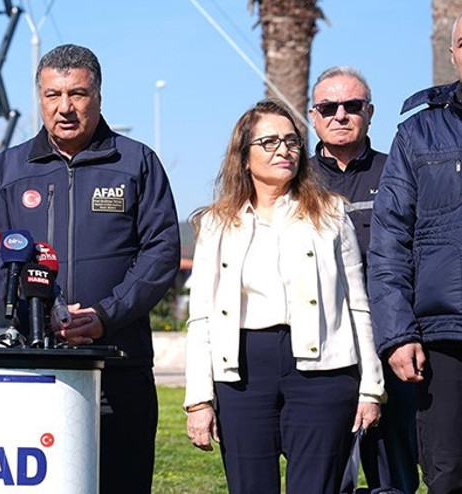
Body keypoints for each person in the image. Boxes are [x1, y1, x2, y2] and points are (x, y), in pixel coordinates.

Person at [0, 44, 180, 494]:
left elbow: (161, 252)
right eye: (53, 95)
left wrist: (106, 316)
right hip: (33, 367)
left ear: (99, 97)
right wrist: (32, 312)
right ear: (40, 98)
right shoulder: (8, 169)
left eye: (78, 94)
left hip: (119, 367)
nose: (65, 108)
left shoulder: (137, 163)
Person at [184, 99, 384, 494]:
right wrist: (198, 401)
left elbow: (357, 303)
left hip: (324, 373)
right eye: (270, 141)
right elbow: (201, 317)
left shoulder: (330, 213)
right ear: (244, 157)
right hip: (241, 374)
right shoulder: (215, 223)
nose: (284, 150)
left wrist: (371, 387)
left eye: (292, 142)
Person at [309, 66, 418, 494]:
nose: (340, 115)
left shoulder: (399, 172)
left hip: (392, 342)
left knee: (395, 470)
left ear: (370, 112)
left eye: (351, 106)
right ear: (313, 116)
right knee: (327, 472)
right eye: (328, 107)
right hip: (325, 351)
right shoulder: (297, 182)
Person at [368, 11, 462, 493]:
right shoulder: (418, 135)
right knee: (446, 475)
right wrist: (398, 334)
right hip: (446, 337)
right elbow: (388, 241)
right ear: (453, 54)